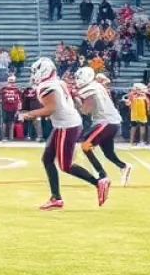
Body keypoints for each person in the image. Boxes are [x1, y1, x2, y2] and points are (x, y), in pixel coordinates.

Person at [19, 57, 108, 210]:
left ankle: (98, 182)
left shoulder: (47, 86)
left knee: (65, 166)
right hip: (65, 123)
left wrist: (28, 114)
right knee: (47, 159)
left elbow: (50, 109)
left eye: (35, 71)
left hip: (66, 126)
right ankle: (56, 198)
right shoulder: (58, 82)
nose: (33, 75)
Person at [72, 68, 132, 186]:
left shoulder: (90, 88)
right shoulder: (96, 86)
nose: (77, 80)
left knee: (85, 146)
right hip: (112, 122)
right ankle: (124, 166)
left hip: (105, 122)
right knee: (108, 153)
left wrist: (74, 99)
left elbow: (85, 110)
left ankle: (102, 175)